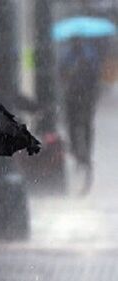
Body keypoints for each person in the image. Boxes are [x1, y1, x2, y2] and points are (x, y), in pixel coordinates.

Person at [60, 37, 103, 188]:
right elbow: (62, 74)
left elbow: (95, 74)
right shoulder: (68, 56)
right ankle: (77, 151)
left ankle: (85, 152)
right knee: (73, 123)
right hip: (74, 96)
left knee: (85, 123)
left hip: (84, 96)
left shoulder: (89, 55)